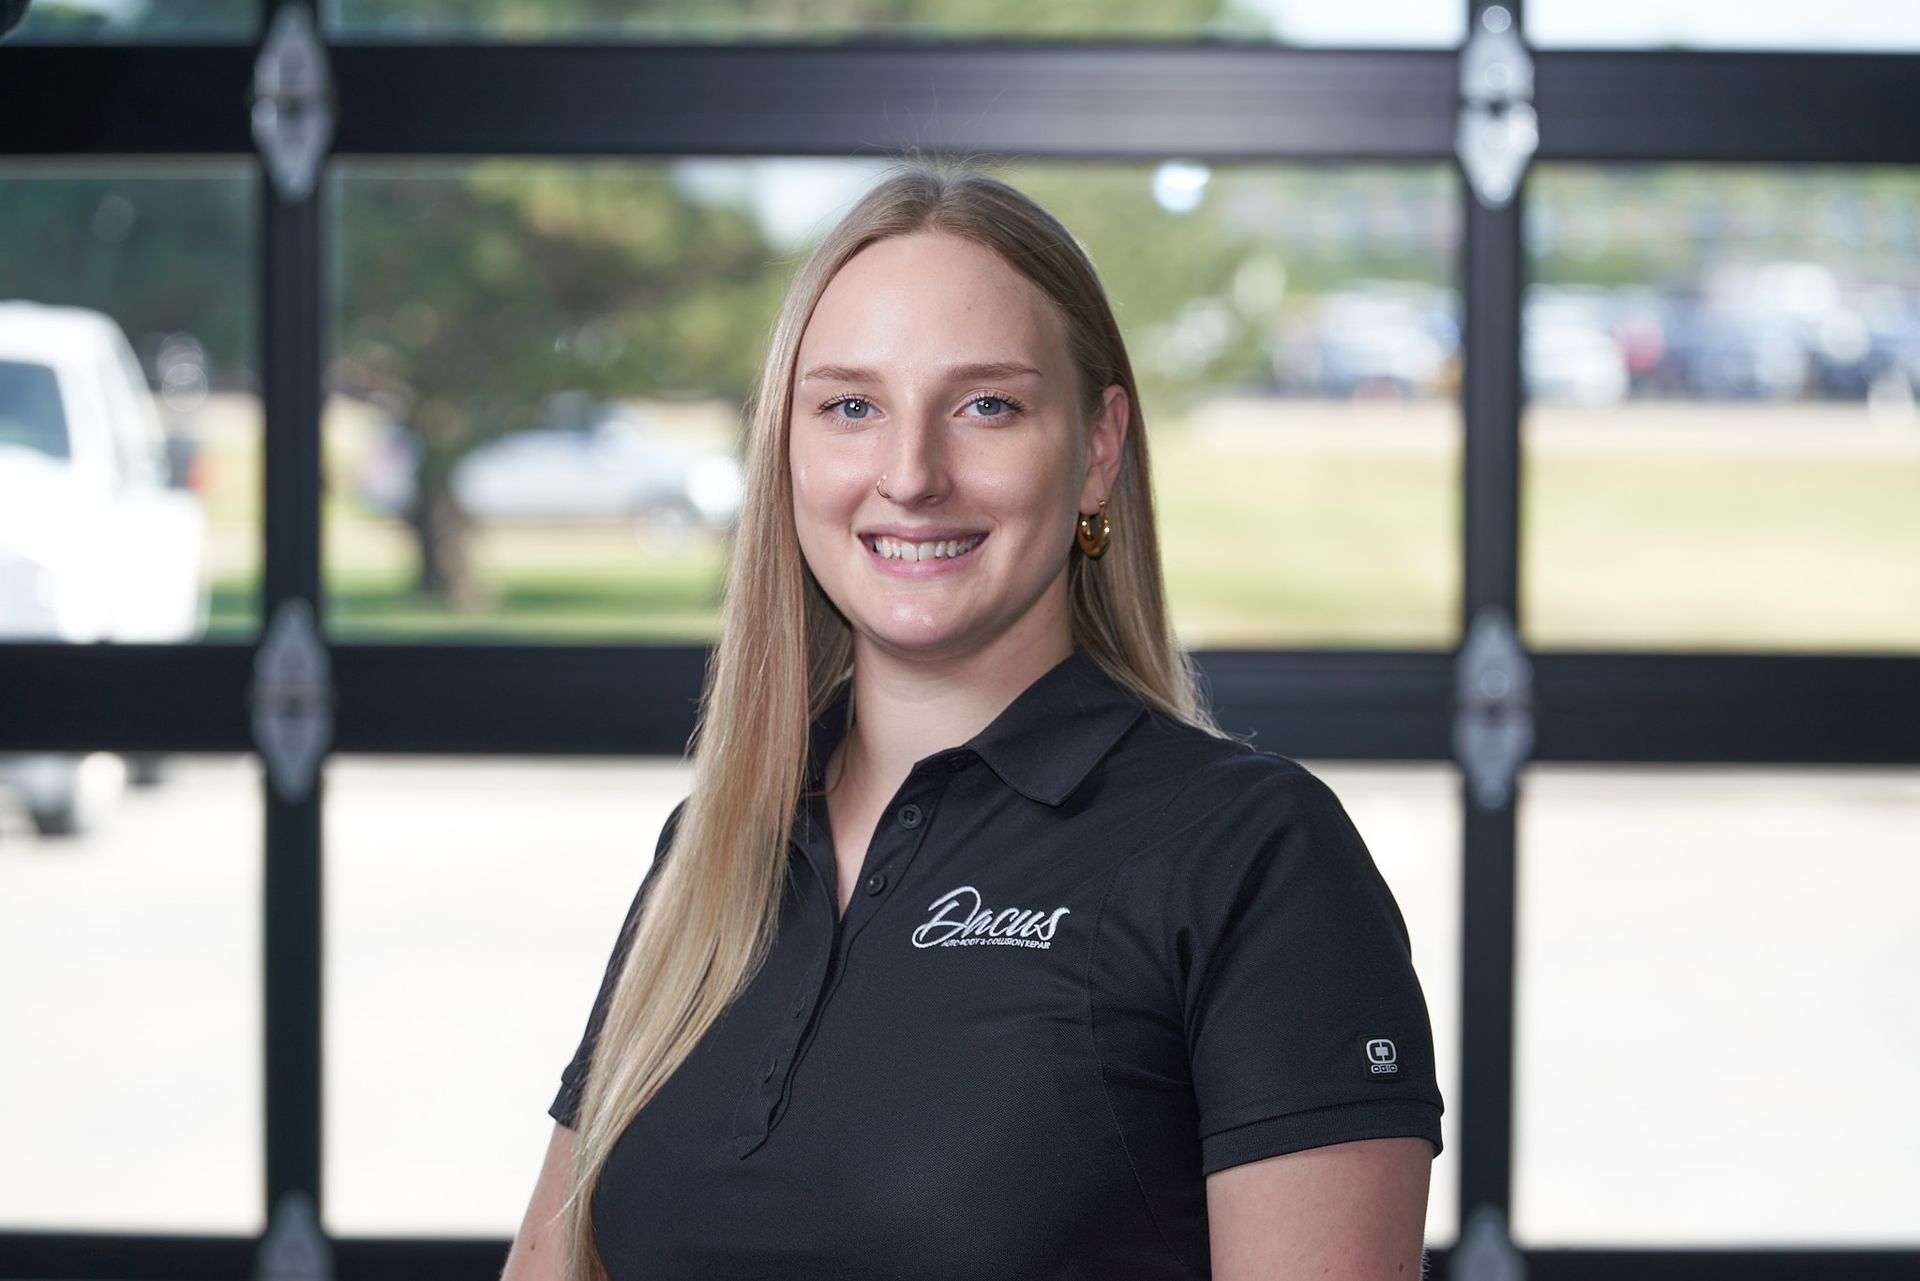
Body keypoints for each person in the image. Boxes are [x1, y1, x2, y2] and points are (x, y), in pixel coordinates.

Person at [501, 162, 1442, 1281]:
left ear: (1097, 450)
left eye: (986, 405)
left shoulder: (1253, 859)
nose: (910, 474)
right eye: (853, 406)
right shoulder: (716, 848)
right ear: (787, 451)